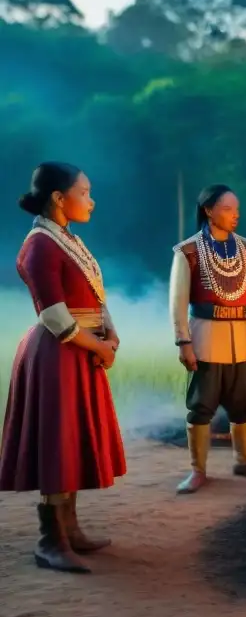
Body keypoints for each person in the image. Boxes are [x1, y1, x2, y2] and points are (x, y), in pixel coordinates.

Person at [0, 162, 126, 574]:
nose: (91, 199)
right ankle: (50, 539)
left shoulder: (67, 239)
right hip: (58, 353)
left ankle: (69, 527)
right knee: (59, 442)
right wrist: (101, 348)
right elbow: (55, 318)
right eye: (84, 192)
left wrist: (111, 333)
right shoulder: (39, 245)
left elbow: (94, 293)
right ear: (59, 197)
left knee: (70, 440)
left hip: (80, 350)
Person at [170, 184, 246, 494]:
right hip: (205, 339)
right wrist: (184, 342)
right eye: (227, 208)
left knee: (244, 404)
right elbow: (177, 301)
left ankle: (244, 460)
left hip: (241, 340)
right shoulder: (187, 251)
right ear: (208, 210)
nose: (235, 214)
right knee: (201, 406)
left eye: (236, 209)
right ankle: (198, 470)